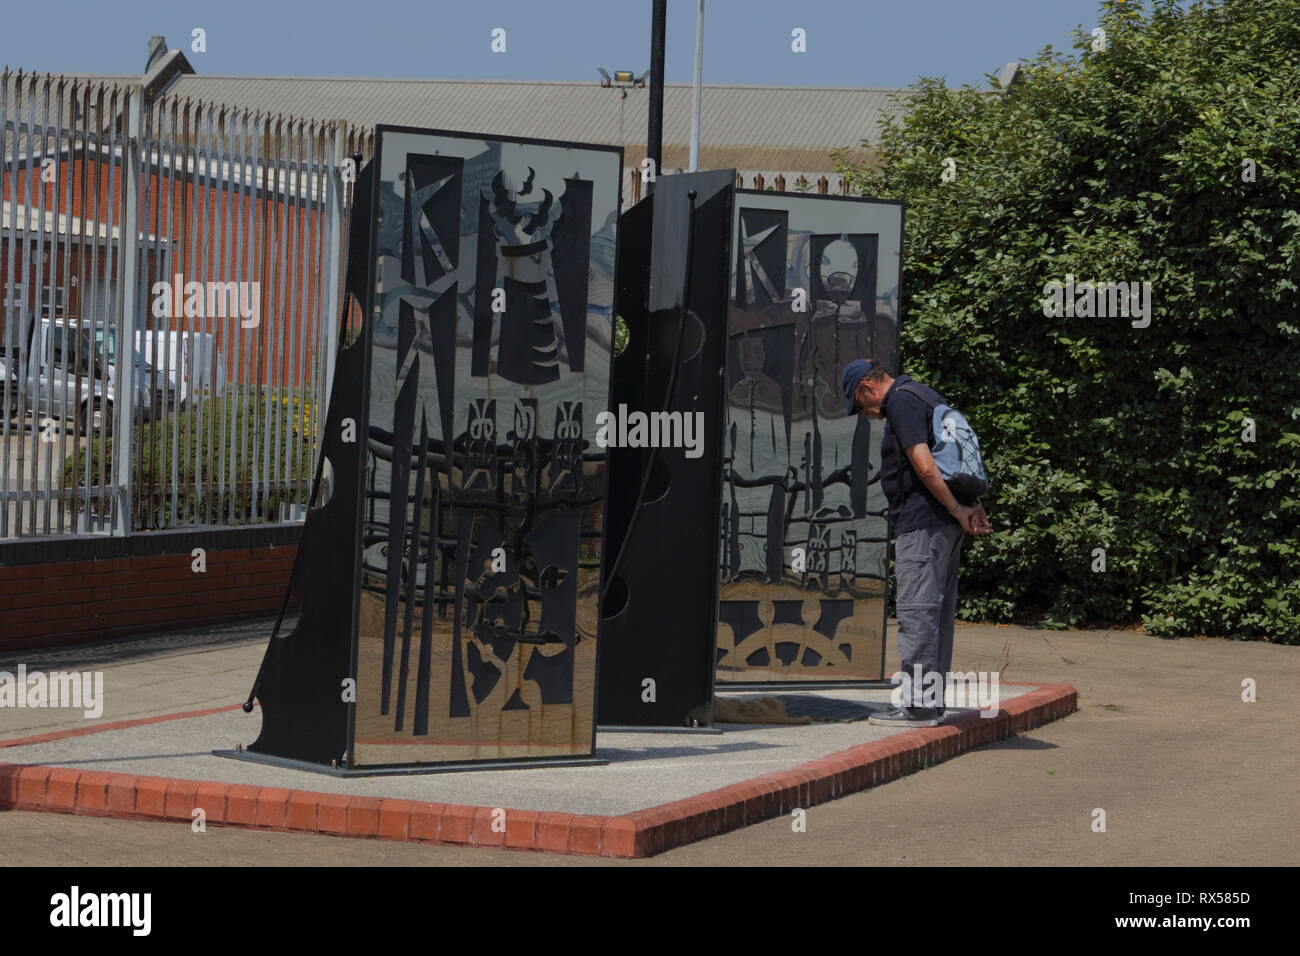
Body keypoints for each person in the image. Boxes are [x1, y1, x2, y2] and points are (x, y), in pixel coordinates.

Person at [840, 359, 992, 727]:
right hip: (942, 522)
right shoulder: (923, 394)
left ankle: (918, 707)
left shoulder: (900, 402)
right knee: (936, 612)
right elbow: (953, 456)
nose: (869, 414)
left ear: (866, 387)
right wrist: (969, 506)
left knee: (918, 611)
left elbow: (925, 465)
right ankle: (931, 703)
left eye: (862, 407)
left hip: (924, 522)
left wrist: (958, 508)